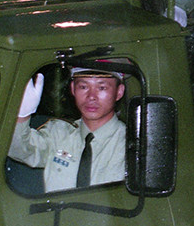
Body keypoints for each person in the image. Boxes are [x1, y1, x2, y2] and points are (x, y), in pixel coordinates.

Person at [8, 62, 128, 192]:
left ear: (119, 92)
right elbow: (22, 150)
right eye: (83, 87)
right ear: (72, 89)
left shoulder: (132, 143)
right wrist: (22, 115)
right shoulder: (59, 133)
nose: (91, 97)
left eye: (102, 88)